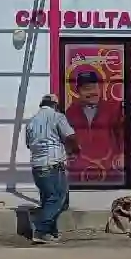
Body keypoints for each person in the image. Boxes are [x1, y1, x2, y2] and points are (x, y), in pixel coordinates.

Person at [24, 93, 80, 244]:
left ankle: (51, 232)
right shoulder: (58, 117)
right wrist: (75, 150)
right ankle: (40, 229)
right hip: (53, 165)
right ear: (55, 105)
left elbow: (29, 144)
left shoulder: (31, 121)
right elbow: (70, 136)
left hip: (37, 166)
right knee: (59, 199)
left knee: (48, 199)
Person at [63, 70, 125, 182]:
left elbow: (121, 133)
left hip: (109, 169)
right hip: (80, 171)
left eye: (95, 87)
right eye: (86, 89)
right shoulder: (70, 112)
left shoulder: (113, 108)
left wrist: (122, 153)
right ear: (78, 92)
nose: (92, 92)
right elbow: (67, 138)